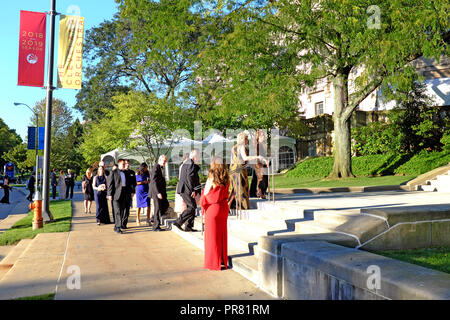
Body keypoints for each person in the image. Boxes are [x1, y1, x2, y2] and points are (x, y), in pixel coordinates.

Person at [201, 157, 230, 270]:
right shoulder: (226, 177)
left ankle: (213, 262)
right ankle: (222, 260)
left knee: (212, 237)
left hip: (213, 209)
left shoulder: (211, 177)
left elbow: (207, 193)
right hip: (223, 208)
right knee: (222, 235)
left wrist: (202, 198)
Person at [229, 132, 268, 210]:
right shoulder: (241, 146)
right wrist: (257, 156)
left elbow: (232, 160)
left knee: (234, 189)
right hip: (240, 170)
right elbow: (245, 157)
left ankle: (231, 205)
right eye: (246, 139)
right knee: (242, 189)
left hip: (233, 170)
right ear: (243, 139)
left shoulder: (234, 147)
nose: (247, 141)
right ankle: (242, 206)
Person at [173, 149, 201, 232]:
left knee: (191, 206)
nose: (199, 158)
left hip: (184, 188)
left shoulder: (187, 163)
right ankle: (178, 222)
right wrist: (193, 190)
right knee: (192, 207)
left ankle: (188, 226)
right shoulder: (191, 163)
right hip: (187, 189)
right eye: (198, 156)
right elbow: (189, 178)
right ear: (195, 156)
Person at [107, 159, 133, 234]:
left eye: (125, 164)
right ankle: (118, 227)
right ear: (118, 164)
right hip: (116, 195)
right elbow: (110, 184)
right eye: (123, 164)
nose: (124, 165)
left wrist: (131, 192)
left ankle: (116, 226)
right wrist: (109, 194)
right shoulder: (113, 172)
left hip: (124, 194)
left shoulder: (126, 173)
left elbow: (128, 184)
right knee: (117, 211)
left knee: (122, 211)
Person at [150, 155, 169, 232]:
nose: (165, 162)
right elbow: (153, 181)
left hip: (161, 191)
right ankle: (156, 226)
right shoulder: (156, 167)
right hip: (156, 192)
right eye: (164, 161)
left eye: (165, 161)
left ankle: (153, 218)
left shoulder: (160, 167)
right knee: (157, 208)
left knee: (165, 205)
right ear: (160, 160)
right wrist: (158, 193)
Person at [249, 130, 269, 199]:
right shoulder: (258, 144)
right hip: (259, 163)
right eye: (263, 135)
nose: (264, 136)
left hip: (259, 163)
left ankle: (253, 193)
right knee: (262, 178)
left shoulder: (261, 144)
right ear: (259, 136)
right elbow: (257, 154)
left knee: (256, 178)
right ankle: (260, 192)